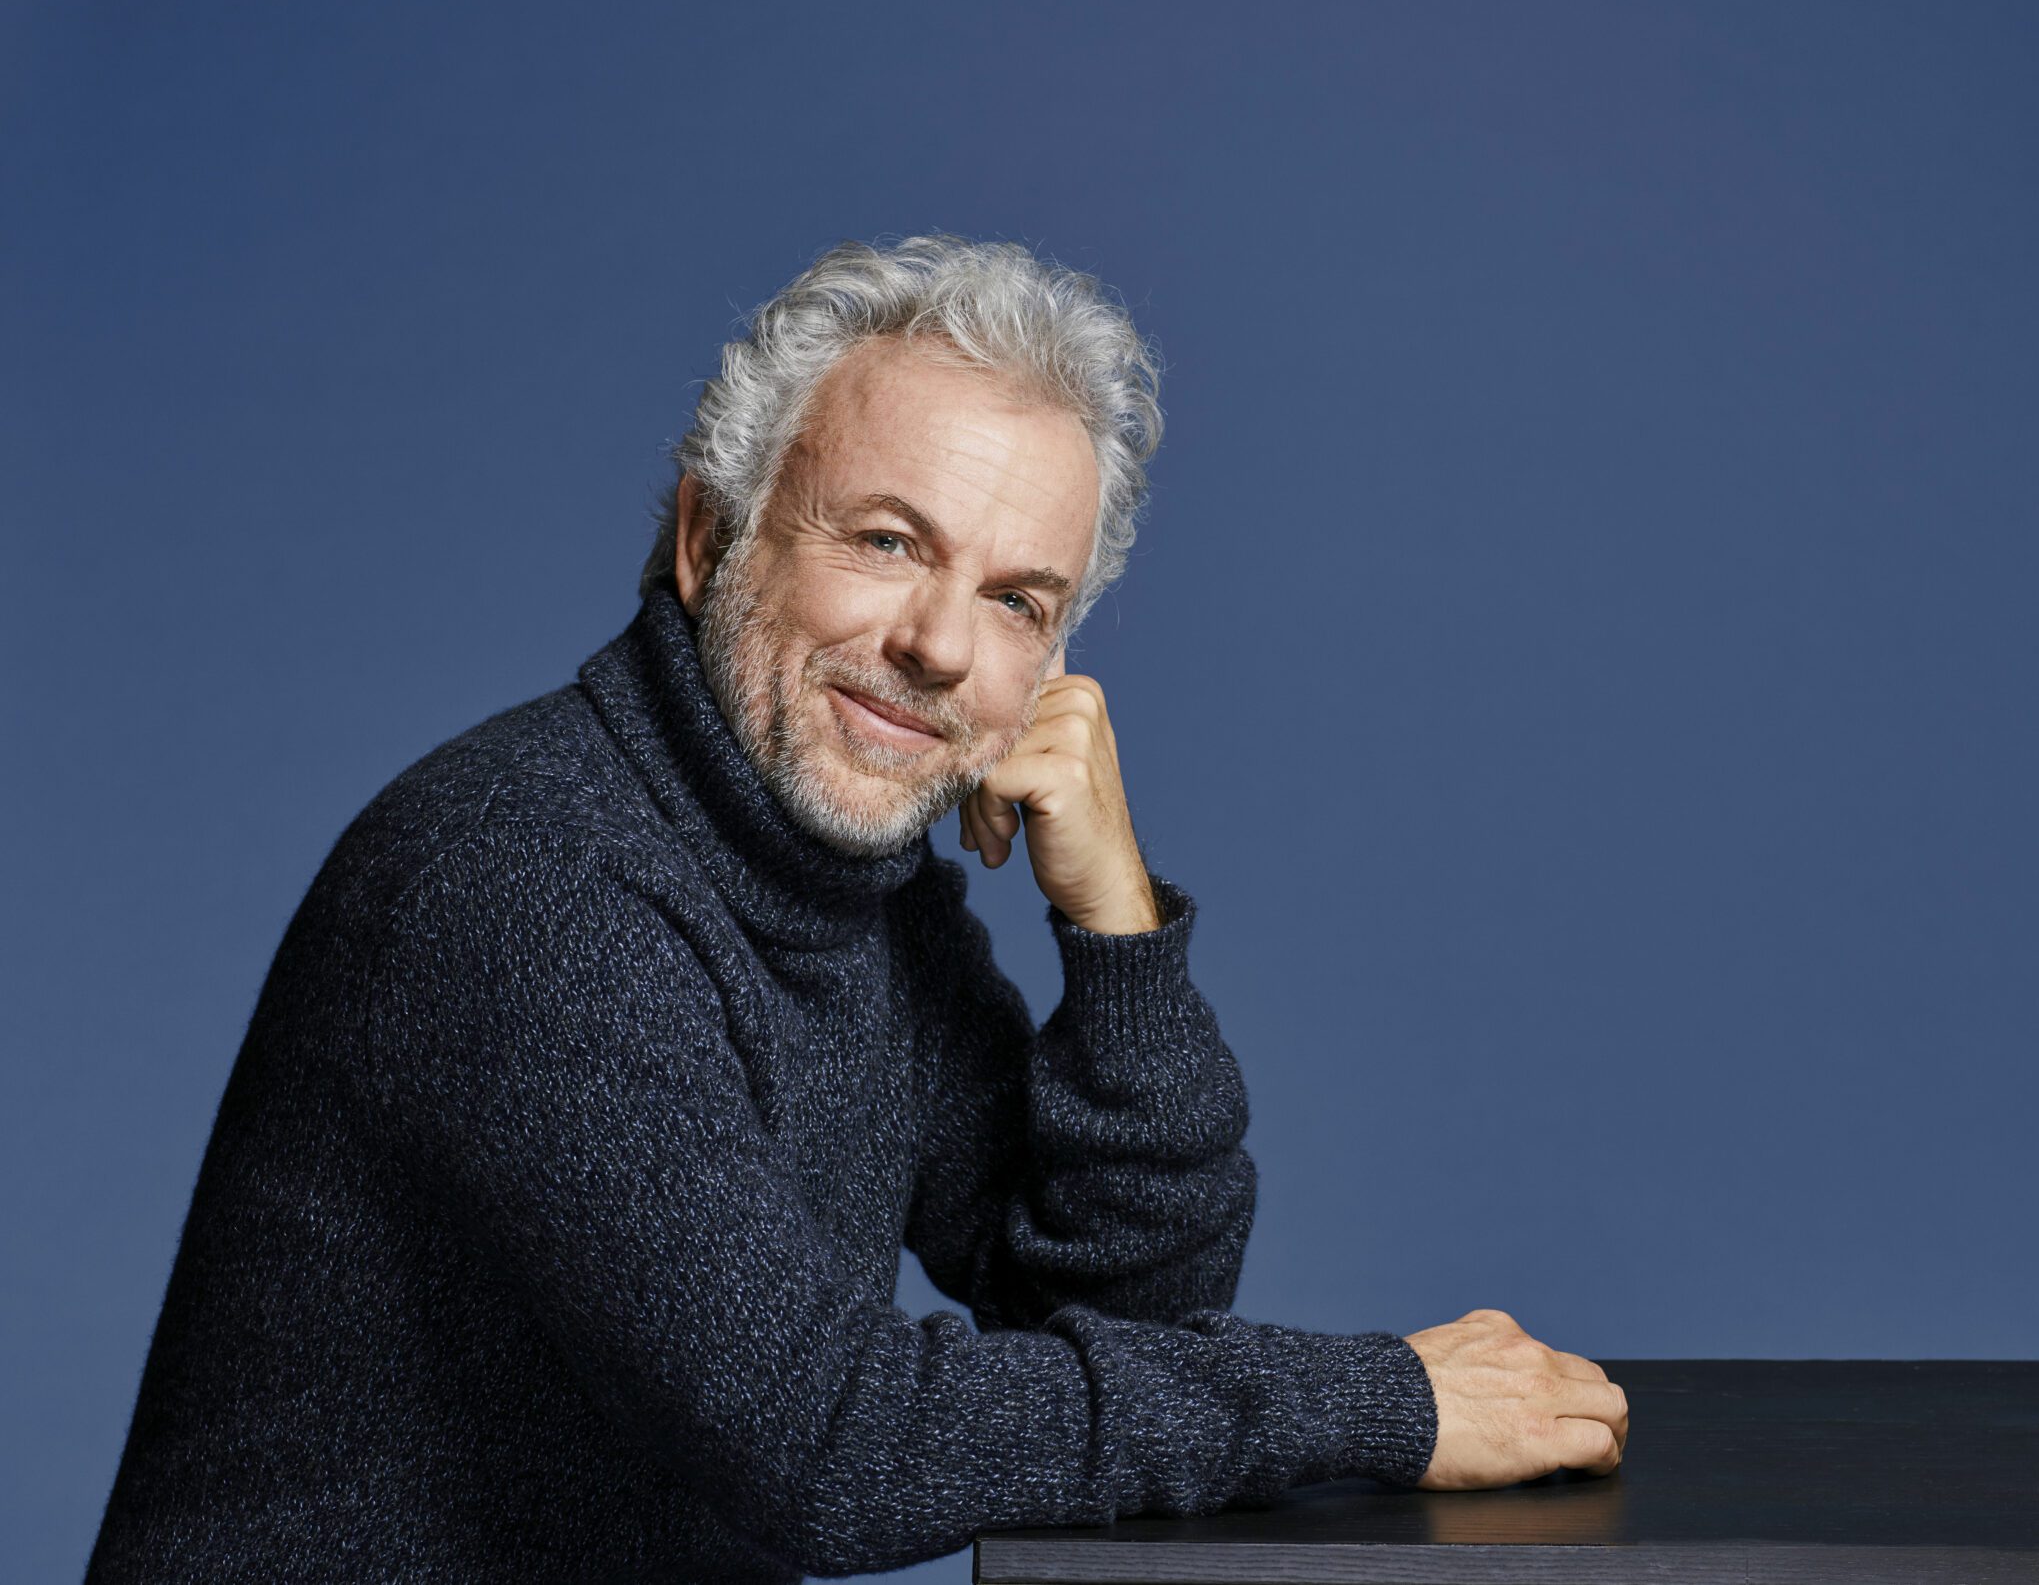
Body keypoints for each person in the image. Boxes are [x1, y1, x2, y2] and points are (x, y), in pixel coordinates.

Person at [87, 235, 1628, 1582]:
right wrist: (1375, 1404)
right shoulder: (527, 877)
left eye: (1017, 600)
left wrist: (1114, 932)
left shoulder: (857, 897)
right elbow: (827, 1449)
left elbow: (1121, 1317)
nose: (942, 646)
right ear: (711, 539)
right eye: (889, 541)